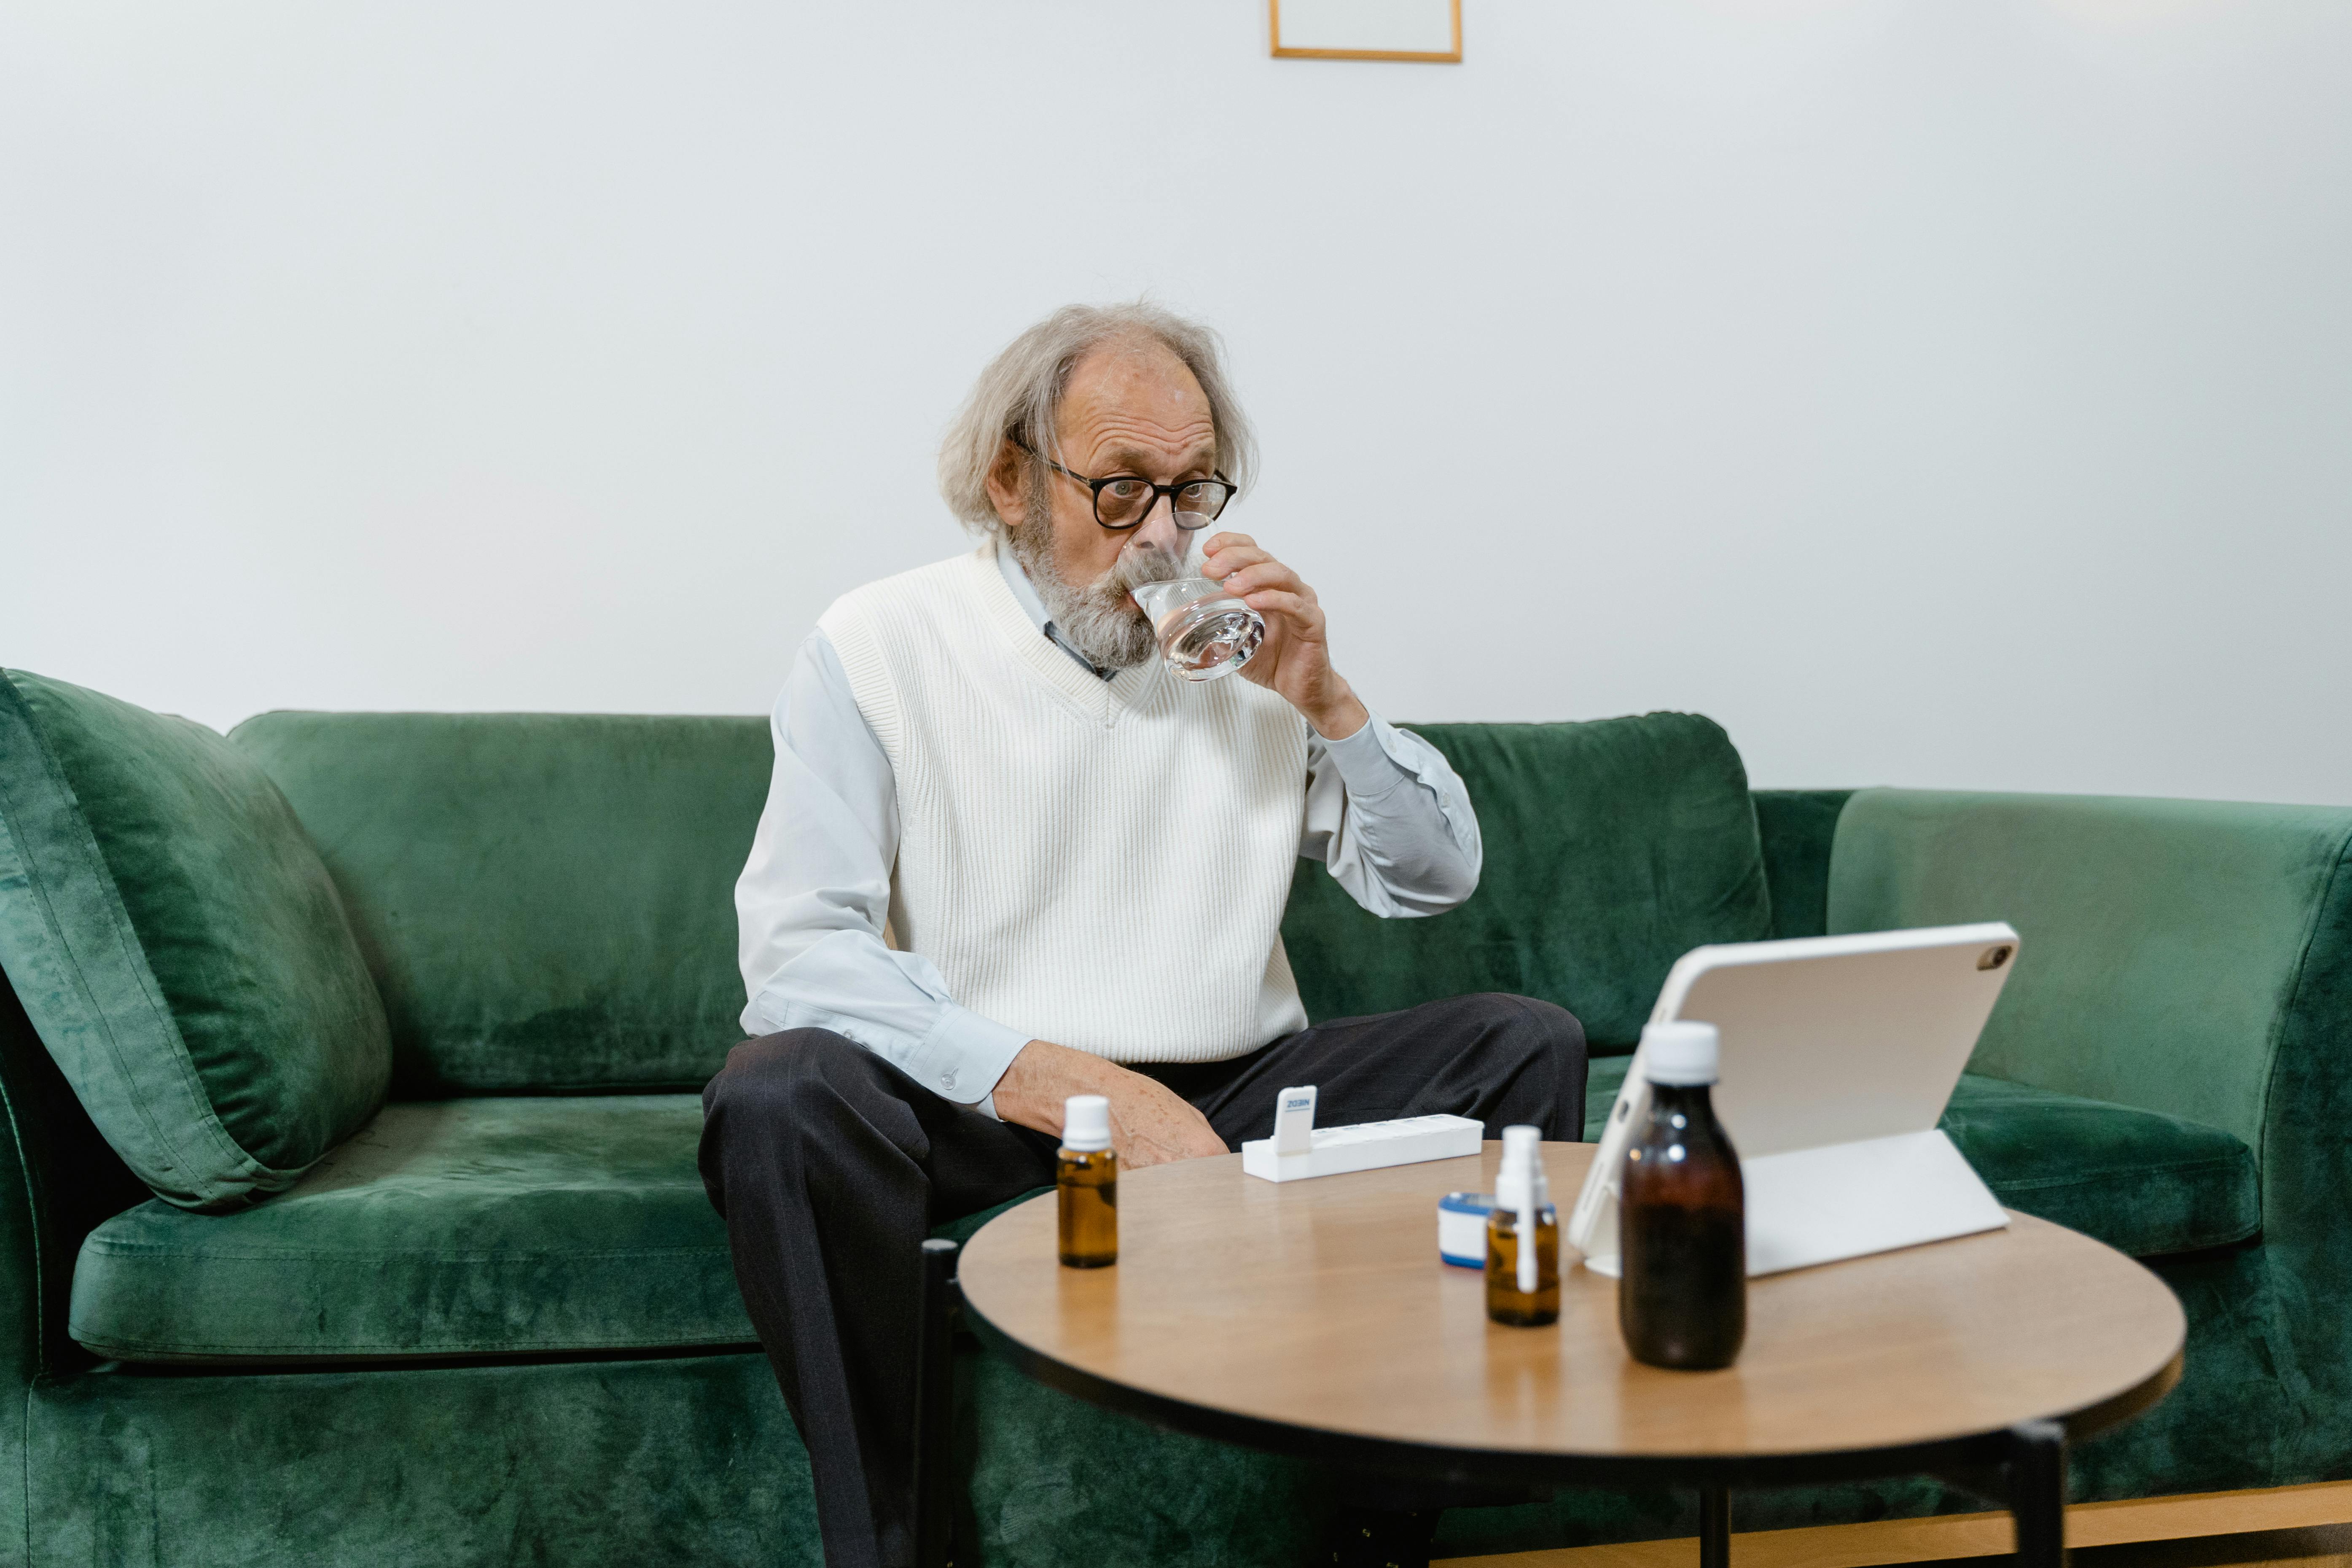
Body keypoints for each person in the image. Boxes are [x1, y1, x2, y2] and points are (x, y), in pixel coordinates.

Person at [698, 301, 1587, 1568]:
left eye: (1191, 489)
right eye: (1119, 491)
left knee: (1521, 1043)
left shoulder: (1253, 659)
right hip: (994, 1114)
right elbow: (795, 956)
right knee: (779, 1091)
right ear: (1010, 481)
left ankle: (1396, 1521)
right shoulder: (878, 645)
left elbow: (1432, 879)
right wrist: (1071, 1085)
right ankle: (888, 1548)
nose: (1163, 534)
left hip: (1227, 1110)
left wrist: (1327, 701)